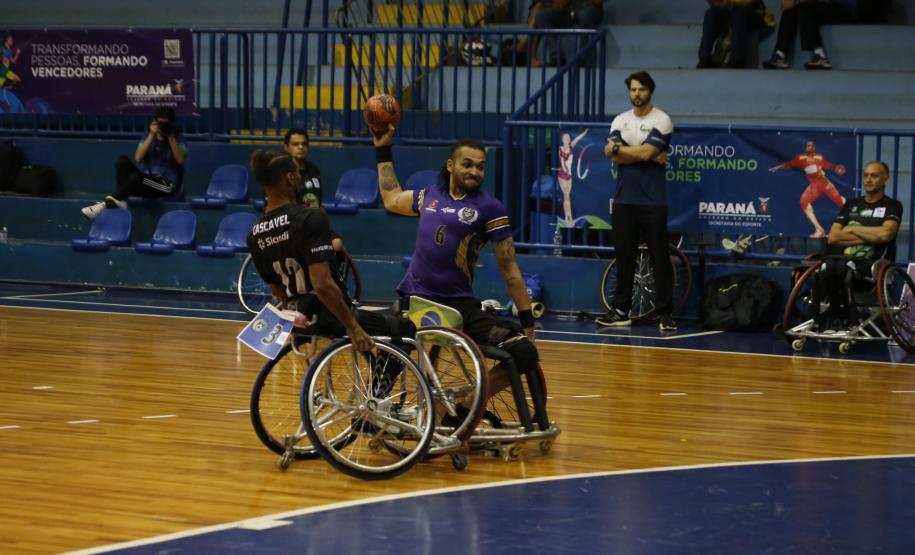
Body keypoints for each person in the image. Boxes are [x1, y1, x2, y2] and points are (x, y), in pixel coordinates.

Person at [372, 124, 540, 402]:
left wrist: (528, 325)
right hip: (417, 301)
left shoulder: (491, 209)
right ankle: (373, 406)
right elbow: (391, 198)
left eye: (481, 167)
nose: (475, 172)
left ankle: (468, 403)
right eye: (468, 164)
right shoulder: (429, 197)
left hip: (459, 308)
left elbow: (510, 271)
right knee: (395, 342)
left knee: (524, 352)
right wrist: (382, 148)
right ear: (451, 165)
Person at [245, 149, 397, 353]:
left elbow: (276, 289)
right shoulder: (310, 217)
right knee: (405, 329)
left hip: (299, 318)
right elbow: (322, 284)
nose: (299, 177)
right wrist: (353, 327)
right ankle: (381, 385)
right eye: (297, 174)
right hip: (331, 316)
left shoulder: (254, 233)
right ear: (290, 178)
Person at [596, 71, 676, 332]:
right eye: (632, 90)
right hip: (624, 200)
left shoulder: (662, 119)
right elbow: (615, 156)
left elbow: (644, 152)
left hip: (653, 201)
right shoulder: (620, 120)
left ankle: (665, 313)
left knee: (659, 257)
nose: (636, 94)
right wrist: (643, 154)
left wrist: (628, 151)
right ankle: (621, 311)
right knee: (624, 256)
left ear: (649, 91)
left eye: (641, 89)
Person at [812, 161, 901, 331]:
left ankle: (850, 320)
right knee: (824, 269)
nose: (868, 180)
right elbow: (833, 237)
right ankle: (832, 318)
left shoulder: (893, 206)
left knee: (843, 270)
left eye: (874, 176)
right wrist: (869, 236)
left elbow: (885, 235)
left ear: (886, 179)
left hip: (870, 264)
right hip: (841, 260)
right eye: (866, 175)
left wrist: (852, 228)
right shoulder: (851, 204)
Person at [81, 106, 187, 219]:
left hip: (168, 186)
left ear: (172, 124)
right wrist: (151, 135)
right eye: (159, 123)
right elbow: (138, 158)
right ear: (154, 122)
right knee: (122, 161)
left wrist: (170, 137)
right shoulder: (147, 137)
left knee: (136, 177)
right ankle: (121, 200)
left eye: (165, 124)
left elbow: (180, 160)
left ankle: (105, 204)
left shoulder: (179, 139)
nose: (162, 127)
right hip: (148, 181)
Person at [769, 140, 846, 238]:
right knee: (803, 202)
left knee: (841, 203)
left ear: (814, 148)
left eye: (810, 146)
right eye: (807, 146)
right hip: (814, 186)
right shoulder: (801, 158)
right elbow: (790, 164)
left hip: (825, 184)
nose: (808, 147)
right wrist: (779, 167)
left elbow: (828, 165)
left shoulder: (819, 157)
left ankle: (853, 221)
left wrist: (835, 168)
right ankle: (819, 229)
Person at [513, 0, 604, 67]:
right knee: (542, 15)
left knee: (584, 15)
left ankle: (584, 58)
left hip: (588, 8)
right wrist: (558, 4)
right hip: (568, 11)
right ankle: (557, 56)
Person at [762, 0, 848, 70]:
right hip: (815, 8)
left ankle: (820, 56)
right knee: (791, 11)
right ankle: (779, 55)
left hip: (840, 8)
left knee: (804, 8)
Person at [697, 0, 771, 68]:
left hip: (756, 13)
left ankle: (737, 60)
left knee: (738, 11)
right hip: (731, 11)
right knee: (710, 14)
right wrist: (719, 3)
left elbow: (747, 1)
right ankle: (705, 58)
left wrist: (729, 1)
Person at [282, 128, 323, 208]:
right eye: (295, 144)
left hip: (311, 217)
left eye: (304, 144)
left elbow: (317, 199)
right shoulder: (280, 171)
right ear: (286, 147)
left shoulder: (313, 169)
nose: (301, 147)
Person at [557, 128, 588, 225]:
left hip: (569, 175)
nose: (568, 139)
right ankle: (567, 217)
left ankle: (569, 217)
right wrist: (566, 170)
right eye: (566, 138)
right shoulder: (561, 149)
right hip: (562, 174)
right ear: (562, 140)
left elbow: (578, 139)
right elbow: (562, 161)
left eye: (569, 138)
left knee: (568, 197)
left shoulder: (571, 146)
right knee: (566, 196)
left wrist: (583, 133)